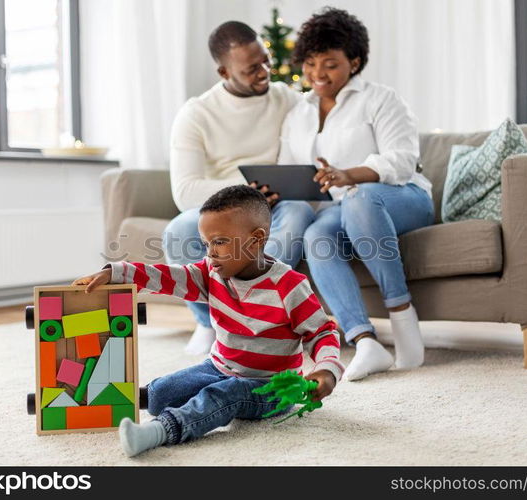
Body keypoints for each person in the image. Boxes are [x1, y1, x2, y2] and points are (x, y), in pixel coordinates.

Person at [73, 185, 344, 456]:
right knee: (165, 390)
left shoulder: (290, 286)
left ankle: (160, 431)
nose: (210, 253)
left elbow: (321, 332)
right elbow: (167, 277)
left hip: (271, 386)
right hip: (219, 366)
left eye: (220, 242)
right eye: (206, 243)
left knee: (222, 395)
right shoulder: (210, 274)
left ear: (256, 238)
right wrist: (117, 273)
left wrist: (326, 371)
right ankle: (99, 403)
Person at [278, 8, 434, 381]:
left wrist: (349, 174)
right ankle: (365, 341)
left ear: (355, 61)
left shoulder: (381, 99)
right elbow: (291, 167)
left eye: (330, 64)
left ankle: (402, 316)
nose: (317, 74)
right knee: (317, 235)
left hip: (401, 197)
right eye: (311, 63)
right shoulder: (298, 112)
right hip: (342, 206)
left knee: (361, 197)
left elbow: (402, 160)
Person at [165, 21, 315, 356]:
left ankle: (268, 321)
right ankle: (210, 324)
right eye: (251, 69)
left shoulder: (286, 99)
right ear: (223, 71)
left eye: (265, 61)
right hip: (224, 209)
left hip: (278, 205)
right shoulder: (196, 114)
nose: (264, 72)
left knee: (298, 214)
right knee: (177, 231)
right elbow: (185, 191)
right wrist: (245, 190)